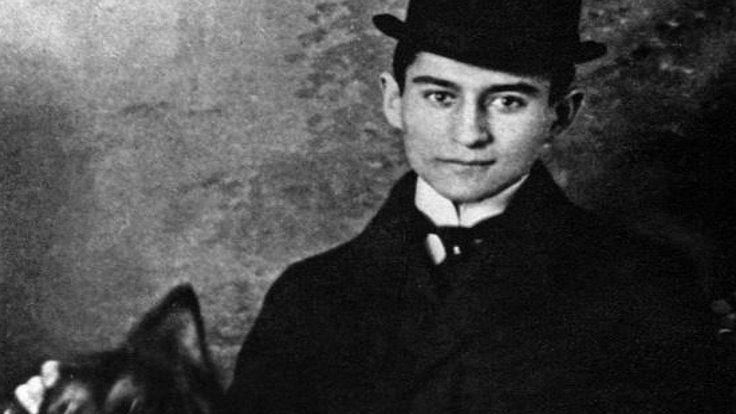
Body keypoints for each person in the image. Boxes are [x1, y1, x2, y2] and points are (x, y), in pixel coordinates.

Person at [12, 0, 734, 413]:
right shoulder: (311, 295)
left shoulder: (645, 288)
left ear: (561, 114)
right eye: (439, 96)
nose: (469, 133)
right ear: (394, 101)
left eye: (508, 101)